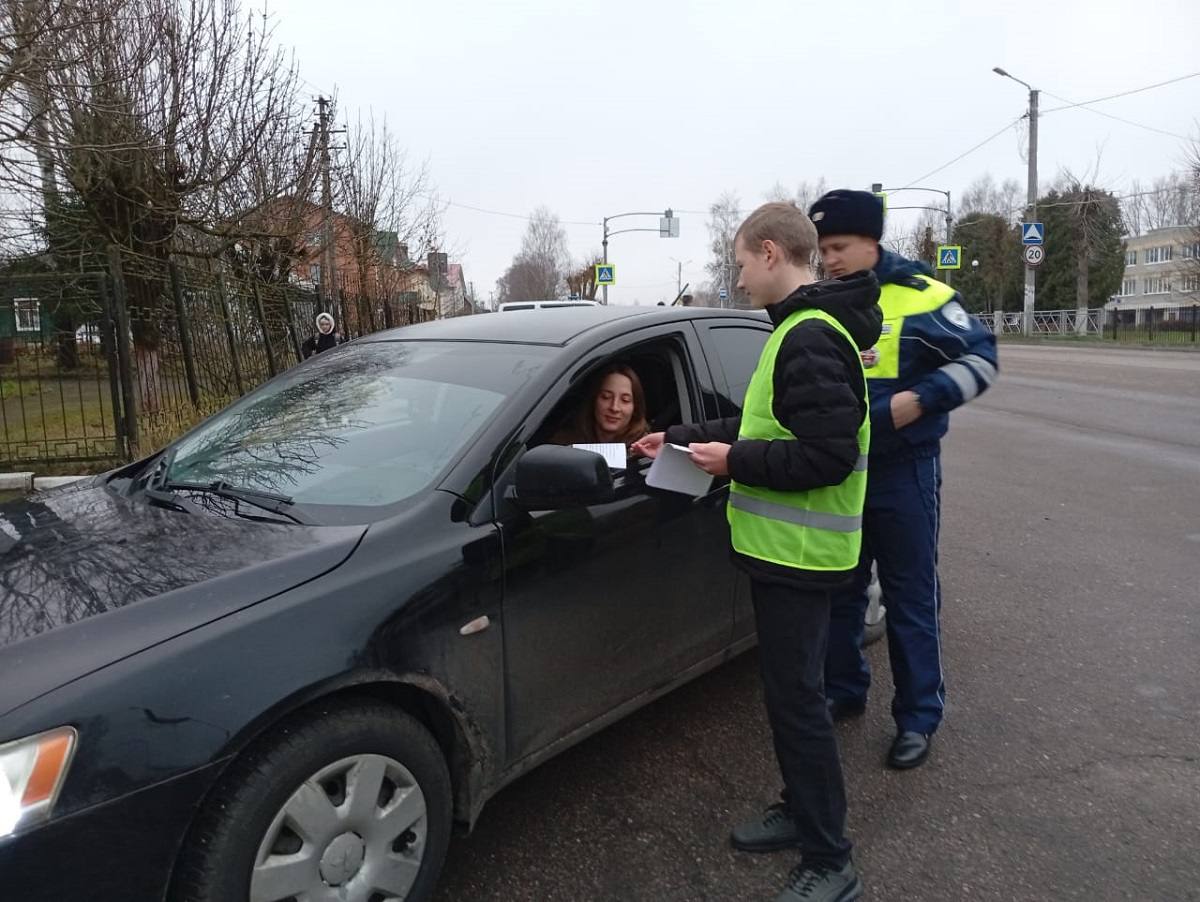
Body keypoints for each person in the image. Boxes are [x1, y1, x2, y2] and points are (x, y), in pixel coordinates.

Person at [633, 201, 880, 902]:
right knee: (790, 698)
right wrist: (680, 437)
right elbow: (764, 421)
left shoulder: (807, 336)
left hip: (800, 557)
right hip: (788, 553)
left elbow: (825, 455)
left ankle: (831, 857)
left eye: (740, 262)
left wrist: (734, 461)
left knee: (800, 703)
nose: (738, 279)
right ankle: (801, 812)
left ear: (771, 253)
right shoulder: (799, 331)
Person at [809, 189, 999, 771]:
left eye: (839, 247)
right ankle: (845, 691)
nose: (830, 259)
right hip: (842, 475)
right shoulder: (821, 303)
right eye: (822, 249)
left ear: (872, 241)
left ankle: (917, 717)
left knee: (910, 596)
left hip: (902, 472)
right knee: (840, 591)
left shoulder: (925, 296)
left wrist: (923, 398)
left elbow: (982, 359)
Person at [551, 363, 649, 450]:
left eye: (625, 400)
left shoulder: (645, 449)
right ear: (594, 399)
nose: (614, 407)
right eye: (606, 397)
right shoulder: (564, 445)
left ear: (635, 407)